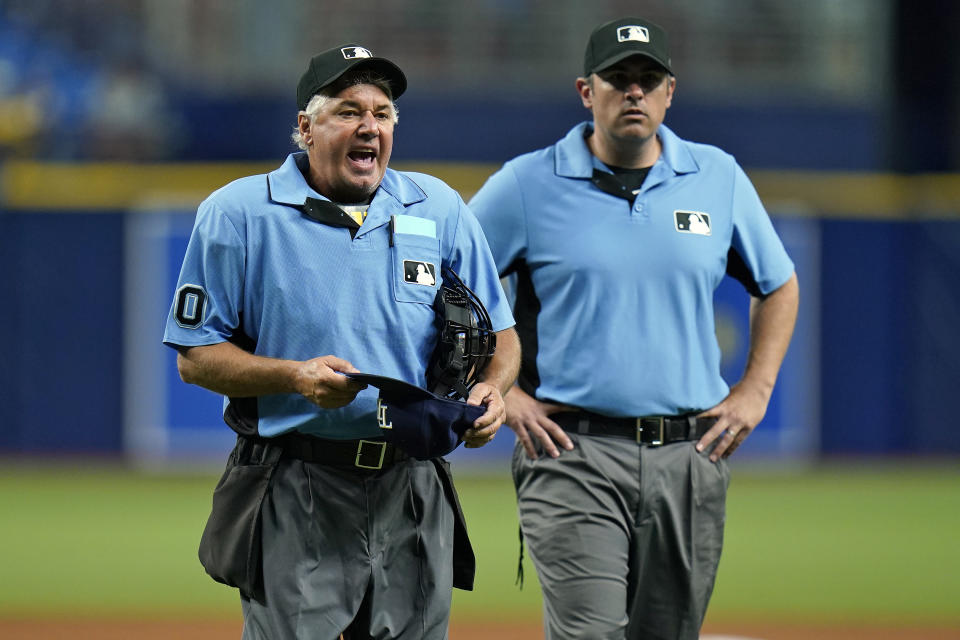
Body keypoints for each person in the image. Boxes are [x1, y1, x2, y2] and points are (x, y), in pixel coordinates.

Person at [163, 44, 520, 640]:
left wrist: (492, 390)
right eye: (349, 111)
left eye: (383, 114)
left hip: (413, 485)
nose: (369, 127)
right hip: (299, 483)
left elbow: (501, 338)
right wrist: (292, 377)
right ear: (305, 128)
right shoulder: (238, 214)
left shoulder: (439, 208)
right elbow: (197, 359)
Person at [469, 17, 799, 640]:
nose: (634, 91)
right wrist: (501, 392)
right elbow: (445, 288)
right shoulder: (525, 184)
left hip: (690, 454)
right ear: (585, 91)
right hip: (571, 451)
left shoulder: (717, 176)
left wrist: (757, 389)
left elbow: (778, 285)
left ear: (670, 92)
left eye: (648, 79)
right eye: (618, 79)